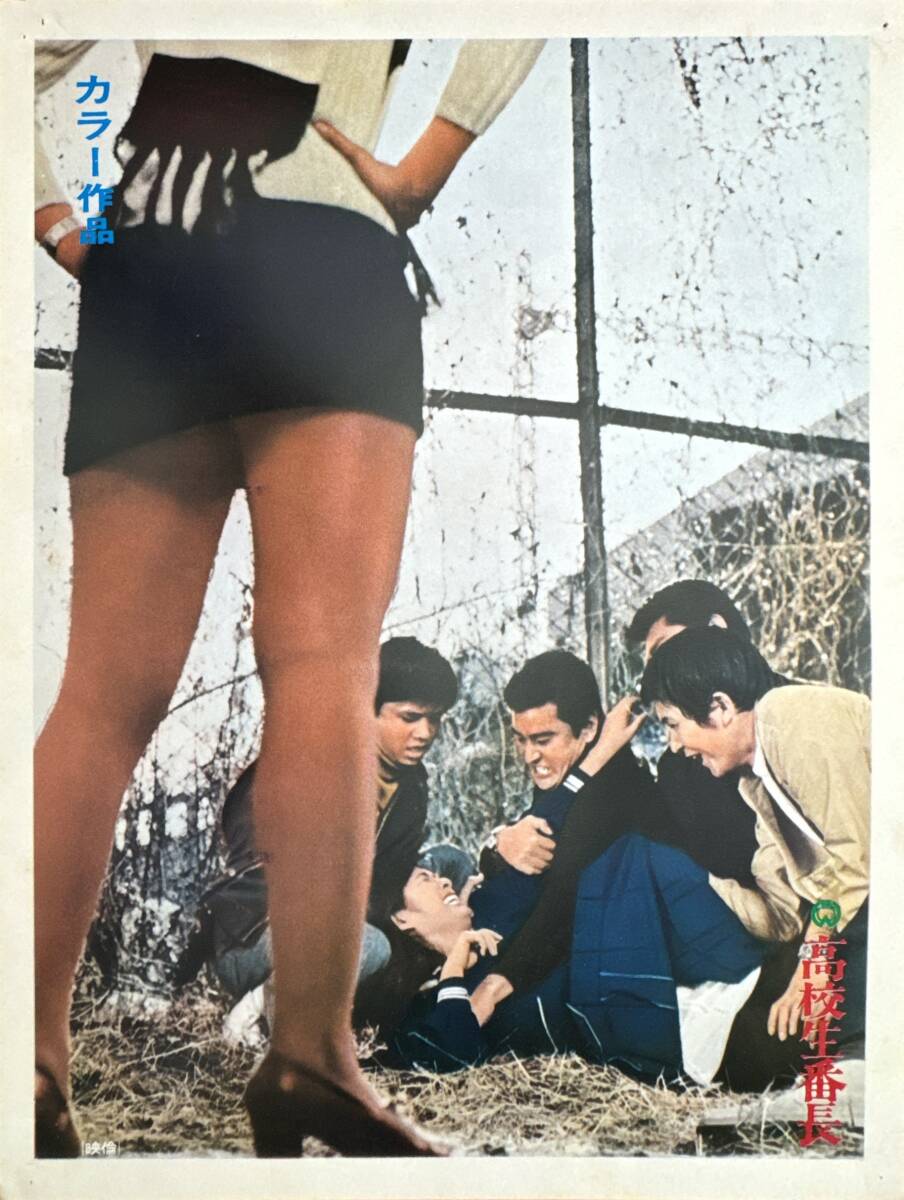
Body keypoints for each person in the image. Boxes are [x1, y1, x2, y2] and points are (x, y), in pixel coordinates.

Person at [33, 38, 544, 1158]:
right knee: (323, 670)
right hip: (323, 238)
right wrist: (423, 167)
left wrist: (59, 216)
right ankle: (311, 1058)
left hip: (152, 250)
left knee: (102, 695)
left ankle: (28, 1056)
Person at [174, 636, 458, 1040]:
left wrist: (412, 915)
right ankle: (257, 1008)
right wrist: (408, 922)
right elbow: (258, 878)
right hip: (257, 934)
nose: (425, 733)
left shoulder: (412, 785)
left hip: (348, 923)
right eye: (410, 717)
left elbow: (386, 880)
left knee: (452, 862)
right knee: (370, 947)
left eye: (436, 719)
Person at [640, 626, 869, 1065]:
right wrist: (702, 886)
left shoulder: (797, 721)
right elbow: (784, 913)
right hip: (856, 902)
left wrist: (810, 967)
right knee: (754, 1038)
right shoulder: (756, 778)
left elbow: (856, 864)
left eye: (674, 725)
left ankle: (856, 1062)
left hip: (881, 898)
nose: (675, 746)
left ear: (720, 707)